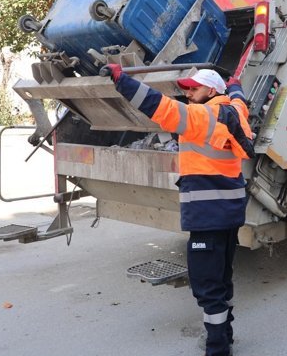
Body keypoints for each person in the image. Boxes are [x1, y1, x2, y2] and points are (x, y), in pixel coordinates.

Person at [105, 64, 254, 356]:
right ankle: (227, 334)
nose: (188, 94)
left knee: (207, 287)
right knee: (222, 278)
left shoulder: (201, 116)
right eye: (186, 89)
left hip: (206, 216)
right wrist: (235, 83)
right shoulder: (236, 111)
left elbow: (158, 106)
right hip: (230, 213)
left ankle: (218, 348)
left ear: (211, 91)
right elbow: (240, 98)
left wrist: (121, 80)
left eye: (194, 89)